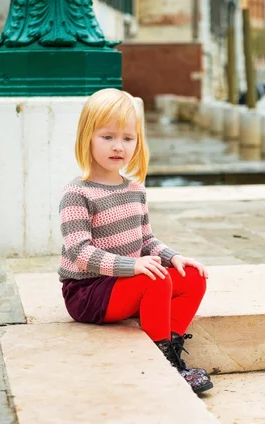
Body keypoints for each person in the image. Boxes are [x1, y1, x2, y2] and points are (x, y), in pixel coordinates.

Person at [58, 88, 213, 394]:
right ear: (87, 138)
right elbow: (80, 253)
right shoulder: (78, 193)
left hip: (126, 284)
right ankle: (166, 364)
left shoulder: (135, 189)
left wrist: (173, 257)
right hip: (88, 291)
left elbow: (146, 239)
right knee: (153, 280)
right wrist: (134, 266)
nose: (119, 146)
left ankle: (170, 341)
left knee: (193, 277)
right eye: (107, 137)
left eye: (127, 138)